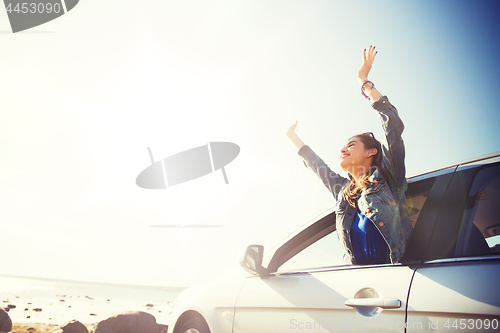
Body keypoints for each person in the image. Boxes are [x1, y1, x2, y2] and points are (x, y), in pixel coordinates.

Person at [286, 46, 413, 265]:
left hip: (399, 280)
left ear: (371, 151)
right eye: (344, 146)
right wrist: (291, 136)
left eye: (352, 145)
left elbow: (392, 125)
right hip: (362, 286)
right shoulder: (344, 192)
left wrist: (363, 80)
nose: (343, 149)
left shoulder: (389, 178)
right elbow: (316, 165)